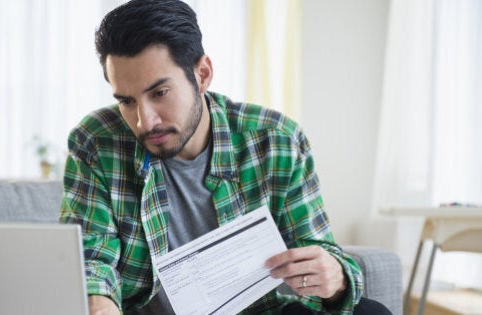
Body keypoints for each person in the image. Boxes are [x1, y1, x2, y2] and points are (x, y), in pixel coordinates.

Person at [60, 0, 391, 314]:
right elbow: (91, 258)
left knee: (370, 312)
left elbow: (321, 252)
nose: (144, 121)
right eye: (127, 101)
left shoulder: (276, 140)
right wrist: (98, 300)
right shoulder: (96, 142)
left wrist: (333, 277)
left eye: (159, 93)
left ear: (202, 74)